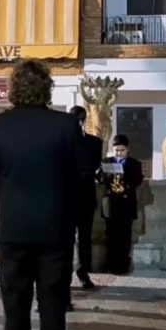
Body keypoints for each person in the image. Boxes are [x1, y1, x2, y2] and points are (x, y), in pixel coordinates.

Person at [0, 59, 85, 330]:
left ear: (13, 90)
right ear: (47, 89)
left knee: (15, 311)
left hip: (12, 233)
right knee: (53, 310)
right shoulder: (67, 125)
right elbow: (81, 182)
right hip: (55, 232)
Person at [98, 135, 144, 275]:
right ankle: (110, 263)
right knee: (110, 235)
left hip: (126, 205)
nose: (119, 153)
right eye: (116, 150)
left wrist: (124, 171)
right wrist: (105, 173)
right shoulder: (106, 161)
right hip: (111, 204)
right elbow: (101, 180)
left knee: (125, 236)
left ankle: (123, 264)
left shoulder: (134, 163)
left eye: (122, 150)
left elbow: (137, 181)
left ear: (127, 149)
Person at [68, 106, 102, 291]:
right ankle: (65, 273)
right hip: (66, 198)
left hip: (86, 197)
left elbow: (94, 167)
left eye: (80, 120)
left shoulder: (94, 143)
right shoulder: (62, 142)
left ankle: (83, 272)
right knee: (65, 238)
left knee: (84, 237)